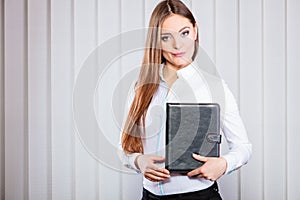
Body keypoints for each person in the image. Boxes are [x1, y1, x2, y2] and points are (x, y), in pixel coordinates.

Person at [119, 0, 252, 199]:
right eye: (166, 37)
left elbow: (243, 147)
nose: (177, 45)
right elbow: (124, 149)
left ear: (195, 31)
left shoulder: (214, 87)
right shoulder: (140, 88)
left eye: (185, 33)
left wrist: (223, 164)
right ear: (156, 41)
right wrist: (138, 161)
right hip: (149, 196)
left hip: (199, 195)